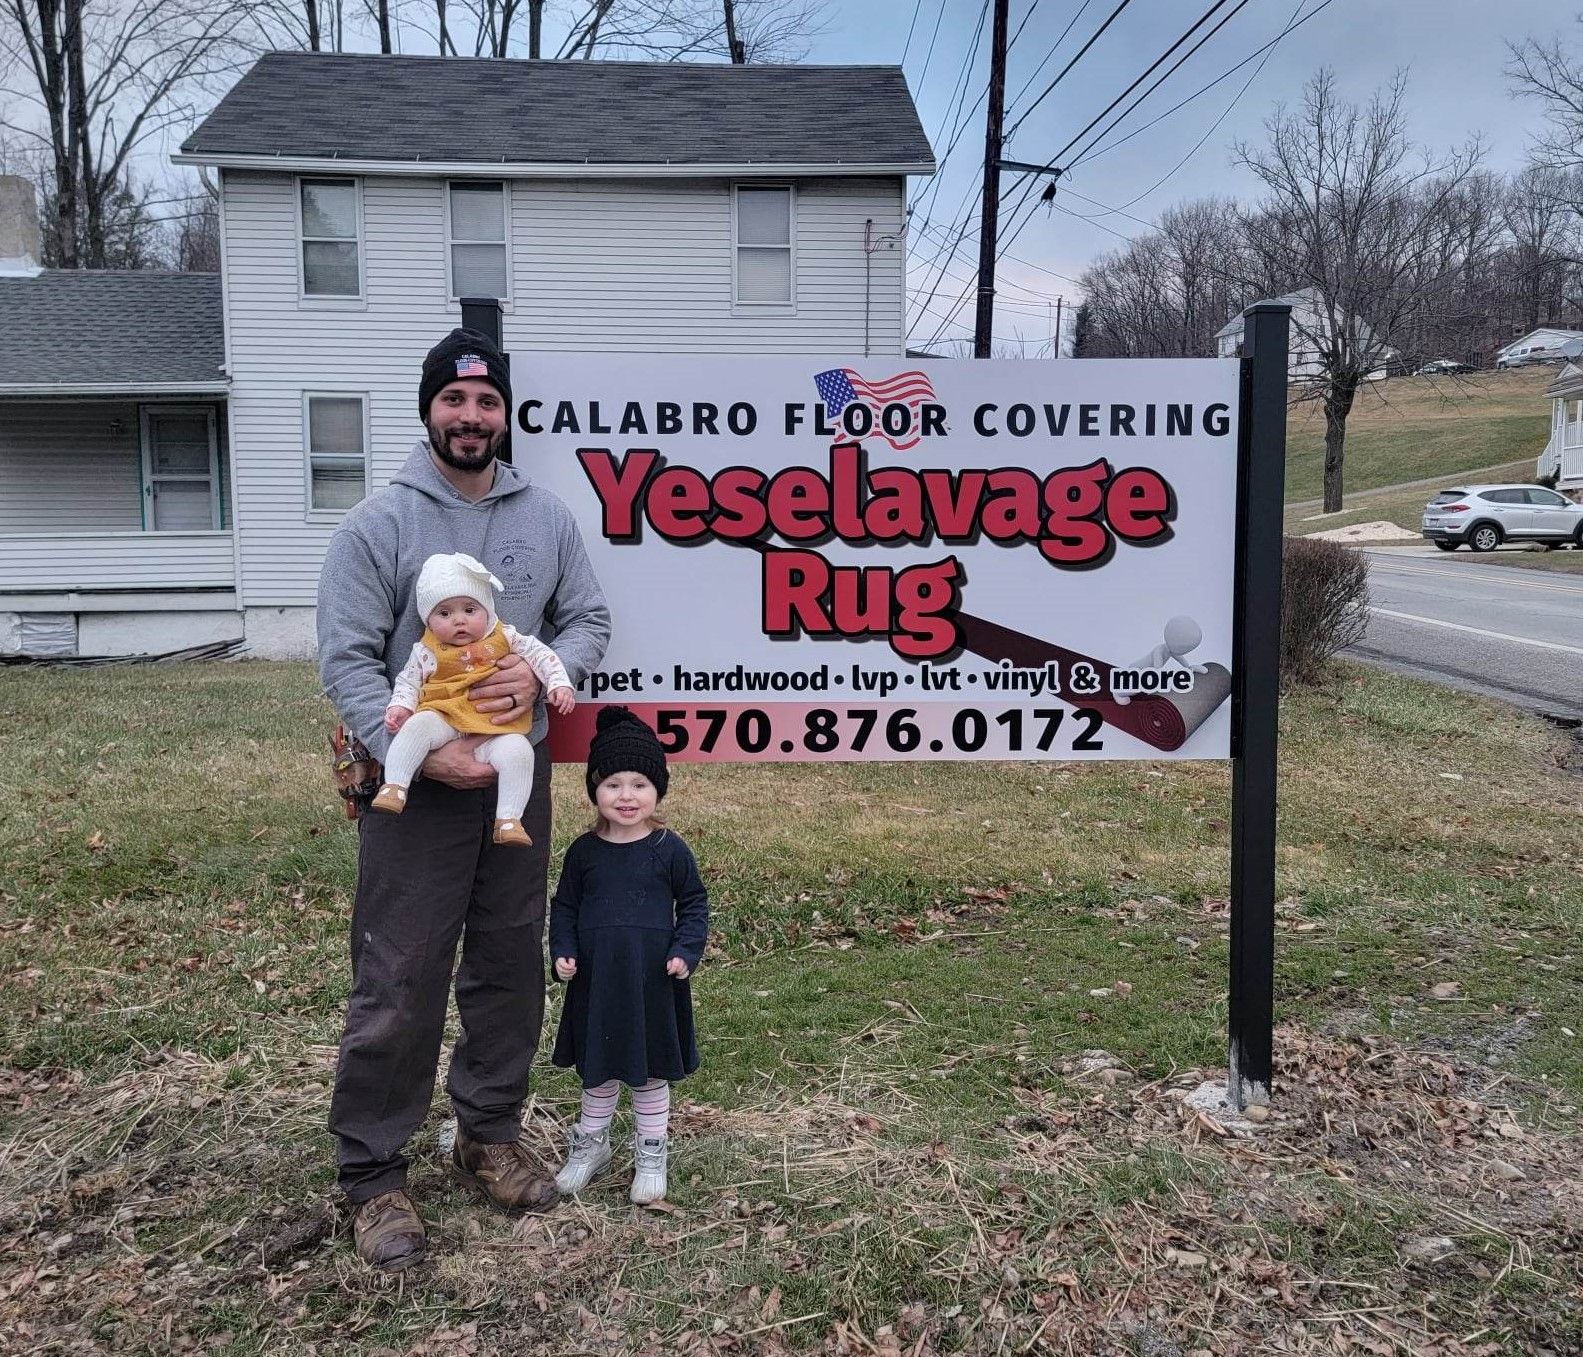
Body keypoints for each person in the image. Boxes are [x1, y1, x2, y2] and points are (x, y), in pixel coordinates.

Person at [317, 327, 610, 1271]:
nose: (471, 417)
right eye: (455, 400)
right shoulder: (378, 526)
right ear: (429, 409)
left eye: (487, 402)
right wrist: (412, 752)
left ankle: (488, 1131)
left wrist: (539, 685)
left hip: (515, 792)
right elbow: (347, 659)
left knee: (506, 961)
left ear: (503, 415)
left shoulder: (547, 519)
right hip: (419, 797)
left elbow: (588, 617)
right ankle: (373, 1173)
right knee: (399, 974)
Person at [549, 707, 709, 1205]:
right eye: (613, 784)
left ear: (657, 790)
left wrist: (685, 951)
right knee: (599, 1068)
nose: (626, 795)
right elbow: (565, 906)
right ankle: (590, 1147)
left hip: (652, 982)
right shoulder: (584, 851)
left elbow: (695, 904)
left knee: (649, 1069)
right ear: (595, 791)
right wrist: (564, 950)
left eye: (639, 784)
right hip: (597, 981)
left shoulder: (669, 848)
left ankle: (651, 1152)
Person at [375, 551, 576, 847]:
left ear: (487, 610)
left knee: (519, 751)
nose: (459, 621)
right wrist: (399, 707)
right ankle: (395, 784)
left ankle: (509, 819)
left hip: (494, 729)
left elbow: (542, 655)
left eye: (470, 610)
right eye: (444, 613)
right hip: (444, 720)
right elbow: (408, 681)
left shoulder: (506, 637)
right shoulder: (426, 649)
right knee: (416, 726)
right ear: (428, 619)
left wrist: (558, 683)